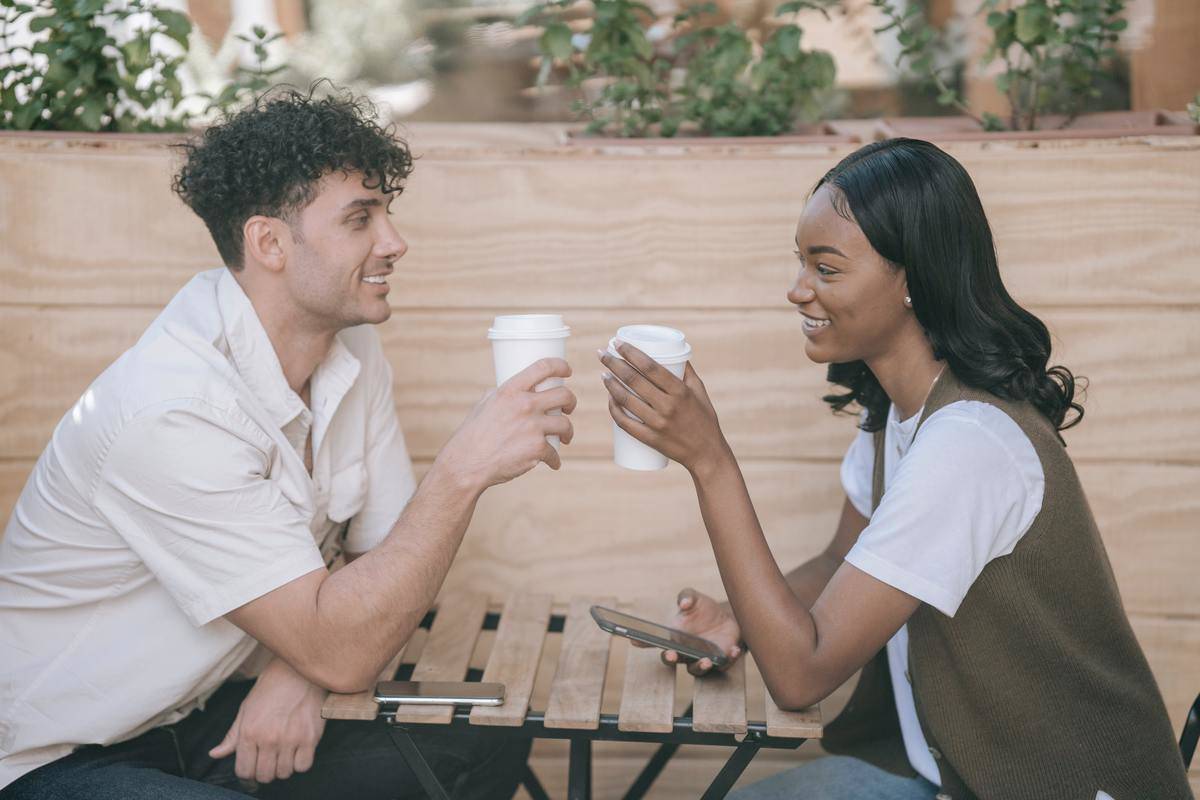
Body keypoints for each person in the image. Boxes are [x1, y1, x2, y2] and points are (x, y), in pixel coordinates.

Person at [0, 86, 576, 798]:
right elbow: (346, 644)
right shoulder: (173, 410)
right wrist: (463, 470)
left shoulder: (352, 351)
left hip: (209, 717)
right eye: (361, 220)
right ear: (268, 242)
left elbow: (389, 550)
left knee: (482, 742)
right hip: (64, 757)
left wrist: (296, 671)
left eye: (386, 214)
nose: (394, 243)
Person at [598, 138, 1192, 799]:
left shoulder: (968, 446)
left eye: (826, 269)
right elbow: (840, 561)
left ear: (913, 279)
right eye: (801, 263)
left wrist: (710, 461)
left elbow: (802, 674)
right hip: (948, 776)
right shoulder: (896, 414)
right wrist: (738, 619)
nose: (798, 291)